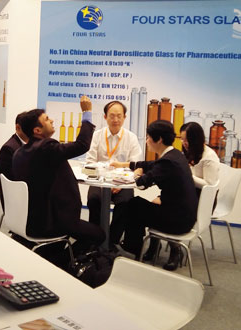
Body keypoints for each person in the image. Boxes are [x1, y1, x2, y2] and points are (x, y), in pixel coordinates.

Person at [12, 96, 105, 253]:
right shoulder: (46, 148)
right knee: (99, 235)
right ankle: (66, 261)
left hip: (29, 219)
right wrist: (87, 113)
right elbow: (82, 145)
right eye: (47, 119)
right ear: (37, 130)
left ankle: (60, 256)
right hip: (54, 220)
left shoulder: (19, 153)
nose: (52, 121)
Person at [111, 120, 197, 271]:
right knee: (138, 204)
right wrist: (125, 165)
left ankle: (132, 247)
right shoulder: (175, 155)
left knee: (133, 205)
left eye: (149, 137)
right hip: (185, 215)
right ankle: (135, 246)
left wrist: (137, 174)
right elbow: (150, 165)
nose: (147, 140)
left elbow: (141, 184)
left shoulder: (167, 162)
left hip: (178, 221)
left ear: (159, 139)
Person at [85, 101, 142, 228]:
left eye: (119, 116)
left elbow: (135, 165)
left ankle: (112, 237)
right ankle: (95, 235)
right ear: (105, 117)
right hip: (99, 180)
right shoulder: (97, 135)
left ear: (124, 117)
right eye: (111, 116)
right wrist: (101, 182)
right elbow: (90, 162)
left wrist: (120, 183)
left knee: (125, 202)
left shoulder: (131, 137)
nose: (115, 120)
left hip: (123, 182)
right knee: (94, 200)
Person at [0, 112, 29, 210]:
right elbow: (14, 181)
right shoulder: (9, 149)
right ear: (18, 128)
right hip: (17, 199)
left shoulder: (31, 145)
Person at [180, 122, 220, 195]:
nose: (184, 143)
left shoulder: (209, 157)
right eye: (182, 139)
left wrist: (187, 176)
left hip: (204, 197)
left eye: (187, 140)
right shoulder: (190, 151)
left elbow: (210, 185)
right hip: (191, 191)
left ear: (196, 139)